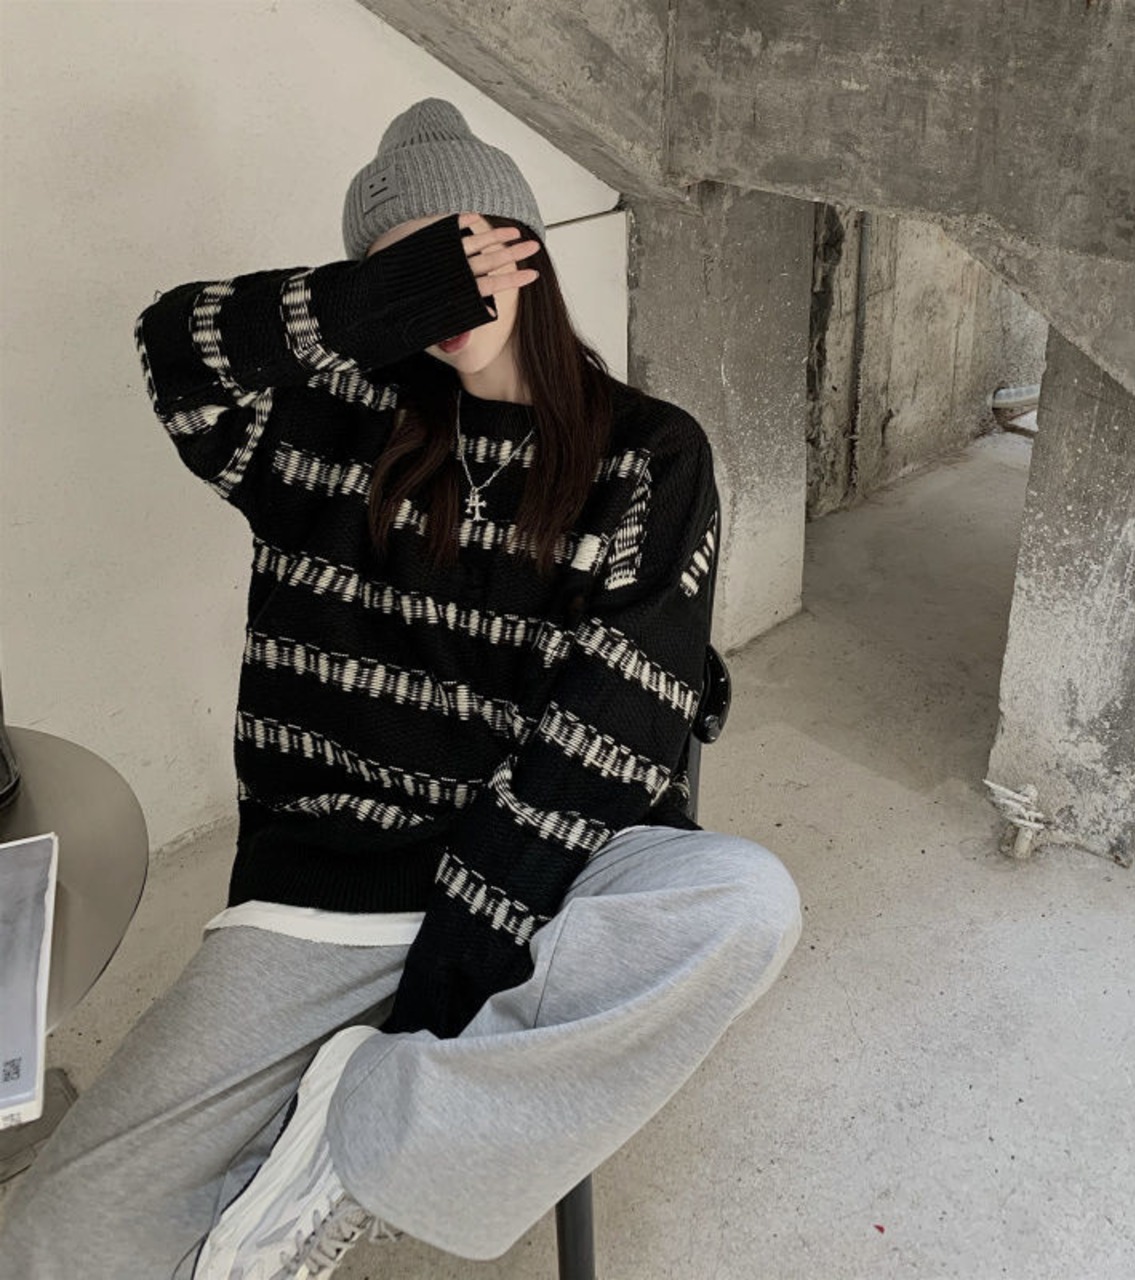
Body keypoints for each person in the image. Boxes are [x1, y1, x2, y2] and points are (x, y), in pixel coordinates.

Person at [0, 98, 802, 1280]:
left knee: (743, 899)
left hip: (549, 871)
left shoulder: (650, 452)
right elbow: (176, 352)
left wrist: (446, 977)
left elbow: (617, 724)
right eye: (402, 268)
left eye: (461, 248)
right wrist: (374, 306)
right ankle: (376, 1120)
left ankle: (360, 1140)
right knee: (57, 1239)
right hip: (328, 882)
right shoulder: (324, 425)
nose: (443, 291)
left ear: (523, 251)